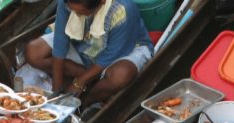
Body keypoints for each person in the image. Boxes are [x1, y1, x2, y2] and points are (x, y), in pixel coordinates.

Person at [24, 0, 153, 106]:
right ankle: (93, 79)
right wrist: (56, 91)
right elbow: (60, 42)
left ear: (101, 2)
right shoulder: (68, 2)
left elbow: (111, 55)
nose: (75, 14)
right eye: (73, 10)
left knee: (120, 75)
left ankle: (84, 103)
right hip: (85, 45)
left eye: (81, 12)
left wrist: (79, 82)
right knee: (34, 52)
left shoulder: (122, 10)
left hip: (124, 49)